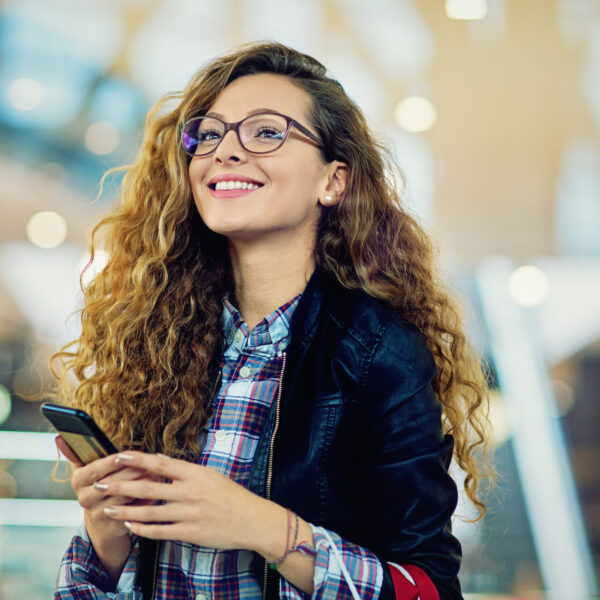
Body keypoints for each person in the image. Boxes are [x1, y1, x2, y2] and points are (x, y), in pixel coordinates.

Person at [51, 41, 490, 600]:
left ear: (333, 181)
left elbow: (428, 589)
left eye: (267, 132)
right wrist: (107, 535)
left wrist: (260, 525)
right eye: (208, 134)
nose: (225, 152)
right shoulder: (157, 340)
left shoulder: (380, 351)